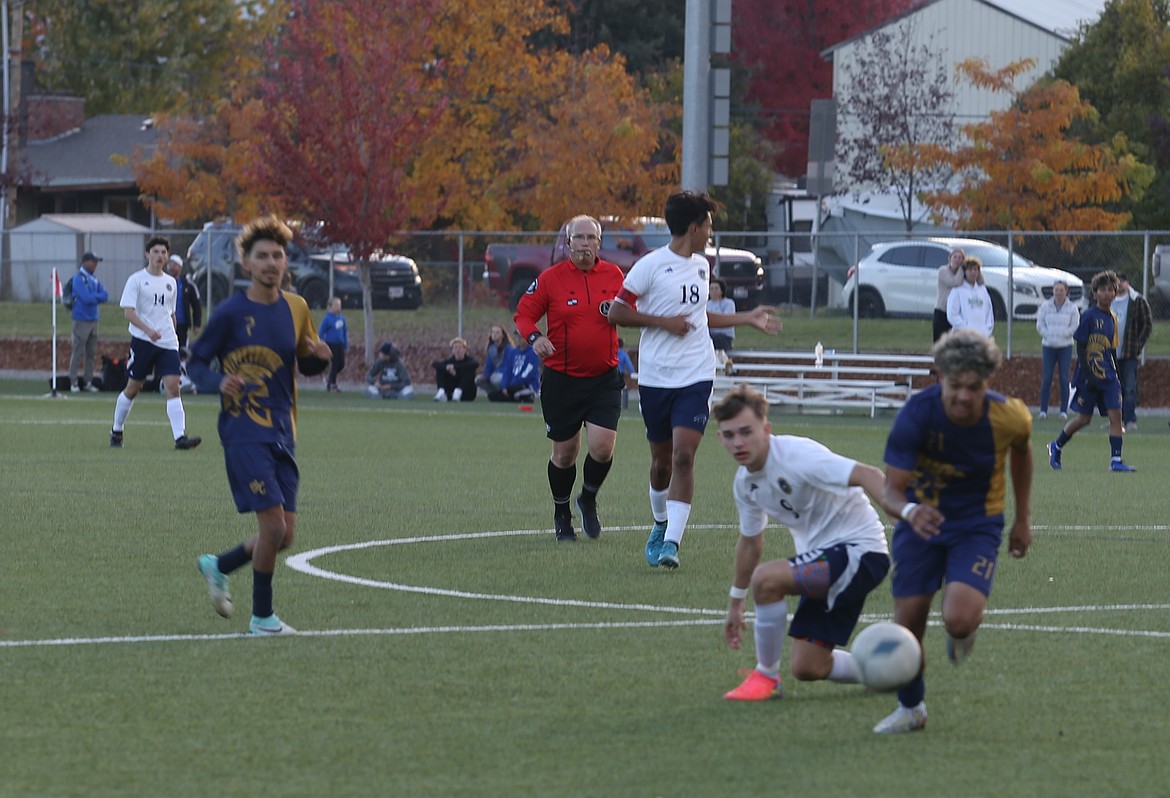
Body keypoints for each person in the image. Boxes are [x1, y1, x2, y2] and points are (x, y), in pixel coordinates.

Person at [608, 190, 782, 569]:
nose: (710, 233)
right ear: (693, 227)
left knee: (684, 456)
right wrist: (662, 323)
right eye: (708, 226)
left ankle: (671, 543)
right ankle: (659, 523)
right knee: (661, 463)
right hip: (656, 376)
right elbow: (617, 313)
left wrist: (747, 317)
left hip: (696, 373)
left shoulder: (703, 267)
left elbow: (700, 317)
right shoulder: (650, 266)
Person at [874, 327, 1033, 734]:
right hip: (919, 524)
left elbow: (1022, 448)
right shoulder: (917, 415)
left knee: (960, 620)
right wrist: (910, 511)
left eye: (974, 387)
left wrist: (1023, 518)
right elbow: (890, 491)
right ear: (940, 376)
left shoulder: (1008, 416)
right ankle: (912, 709)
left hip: (976, 525)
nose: (964, 396)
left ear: (988, 382)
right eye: (955, 385)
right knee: (908, 626)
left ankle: (963, 630)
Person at [190, 215, 332, 636]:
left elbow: (304, 360)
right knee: (272, 527)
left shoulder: (297, 307)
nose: (272, 262)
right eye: (262, 256)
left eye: (278, 255)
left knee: (284, 536)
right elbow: (196, 361)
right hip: (243, 431)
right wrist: (219, 382)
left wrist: (320, 357)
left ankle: (220, 565)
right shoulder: (231, 313)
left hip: (283, 429)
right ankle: (262, 618)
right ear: (246, 264)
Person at [714, 385, 891, 702]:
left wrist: (908, 518)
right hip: (824, 562)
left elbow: (868, 474)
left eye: (746, 432)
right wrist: (735, 602)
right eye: (729, 435)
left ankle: (766, 678)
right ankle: (887, 671)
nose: (738, 443)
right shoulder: (745, 484)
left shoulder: (798, 456)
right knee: (809, 666)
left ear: (766, 430)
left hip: (860, 552)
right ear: (719, 439)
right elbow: (751, 543)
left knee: (768, 580)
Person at [515, 214, 626, 541]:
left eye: (591, 237)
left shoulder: (614, 275)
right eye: (578, 237)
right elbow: (524, 315)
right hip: (562, 380)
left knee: (603, 448)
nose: (584, 244)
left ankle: (587, 499)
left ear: (599, 242)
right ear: (567, 243)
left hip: (604, 377)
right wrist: (536, 338)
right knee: (565, 454)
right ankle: (561, 512)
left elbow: (630, 308)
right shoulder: (550, 279)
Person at [109, 236, 201, 450]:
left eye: (163, 252)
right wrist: (148, 330)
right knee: (133, 388)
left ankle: (180, 438)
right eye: (156, 251)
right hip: (143, 341)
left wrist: (174, 334)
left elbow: (170, 313)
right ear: (147, 254)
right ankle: (116, 430)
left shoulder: (171, 282)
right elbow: (128, 313)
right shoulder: (136, 280)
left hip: (167, 343)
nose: (160, 256)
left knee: (173, 387)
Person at [1046, 271, 1136, 473]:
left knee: (1116, 416)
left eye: (1110, 290)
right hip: (1089, 376)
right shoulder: (1088, 316)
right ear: (1095, 294)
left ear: (1115, 292)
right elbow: (1081, 346)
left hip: (1109, 376)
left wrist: (1117, 376)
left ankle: (1116, 460)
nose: (1106, 293)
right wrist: (1088, 375)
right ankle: (1056, 446)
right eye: (1102, 290)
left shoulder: (1112, 318)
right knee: (1083, 419)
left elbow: (1111, 349)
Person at [1112, 272, 1152, 430]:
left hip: (1129, 353)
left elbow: (1147, 324)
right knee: (1115, 388)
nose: (1120, 285)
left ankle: (1130, 420)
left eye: (1122, 281)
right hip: (1112, 353)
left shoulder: (1137, 301)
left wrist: (1138, 344)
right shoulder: (1109, 301)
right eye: (1117, 282)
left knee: (1129, 387)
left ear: (1127, 283)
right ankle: (1117, 420)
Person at [1035, 280, 1079, 420]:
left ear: (1066, 291)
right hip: (1048, 346)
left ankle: (1063, 411)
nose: (1058, 293)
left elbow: (1074, 326)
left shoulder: (1072, 308)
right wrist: (1048, 334)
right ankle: (1043, 411)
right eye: (1056, 290)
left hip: (1065, 346)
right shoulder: (1045, 306)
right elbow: (1040, 324)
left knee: (1064, 378)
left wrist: (1063, 335)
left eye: (1061, 290)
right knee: (1047, 378)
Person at [68, 251, 110, 392]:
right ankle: (73, 381)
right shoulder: (79, 279)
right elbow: (87, 298)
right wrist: (96, 296)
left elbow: (105, 295)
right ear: (86, 262)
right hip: (81, 319)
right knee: (78, 351)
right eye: (93, 261)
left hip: (93, 320)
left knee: (91, 353)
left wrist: (95, 296)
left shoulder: (94, 279)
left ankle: (88, 381)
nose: (96, 264)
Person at [933, 248, 983, 343]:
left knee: (954, 343)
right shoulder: (943, 271)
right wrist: (961, 268)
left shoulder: (963, 273)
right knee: (939, 341)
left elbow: (980, 282)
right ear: (950, 259)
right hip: (942, 311)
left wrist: (974, 270)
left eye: (960, 258)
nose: (957, 260)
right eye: (955, 257)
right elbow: (955, 282)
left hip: (957, 313)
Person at [945, 257, 994, 338]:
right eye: (970, 270)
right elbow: (952, 314)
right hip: (963, 336)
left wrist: (987, 330)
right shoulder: (957, 290)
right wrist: (966, 329)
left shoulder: (983, 290)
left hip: (982, 335)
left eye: (975, 269)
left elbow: (989, 312)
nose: (973, 272)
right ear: (964, 272)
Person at [488, 332, 540, 402]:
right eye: (518, 337)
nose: (519, 339)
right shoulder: (513, 352)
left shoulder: (533, 353)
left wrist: (512, 384)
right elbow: (507, 371)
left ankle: (525, 394)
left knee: (512, 390)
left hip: (526, 384)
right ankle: (518, 397)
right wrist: (504, 387)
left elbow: (528, 372)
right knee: (492, 396)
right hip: (512, 385)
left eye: (521, 337)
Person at [166, 253, 202, 350]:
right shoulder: (163, 282)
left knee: (182, 349)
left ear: (180, 266)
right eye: (170, 264)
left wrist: (197, 323)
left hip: (182, 323)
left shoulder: (187, 284)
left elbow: (196, 304)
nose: (171, 266)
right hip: (165, 323)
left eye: (174, 264)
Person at [319, 297, 349, 393]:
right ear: (330, 307)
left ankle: (330, 378)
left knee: (341, 364)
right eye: (336, 305)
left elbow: (344, 331)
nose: (338, 307)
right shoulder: (327, 319)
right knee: (335, 363)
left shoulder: (341, 318)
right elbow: (321, 332)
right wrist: (322, 343)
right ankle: (333, 384)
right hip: (331, 344)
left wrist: (345, 343)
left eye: (339, 305)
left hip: (340, 343)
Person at [476, 324, 514, 394]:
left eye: (497, 332)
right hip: (494, 374)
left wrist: (495, 373)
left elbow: (509, 366)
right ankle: (495, 393)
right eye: (493, 332)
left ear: (503, 335)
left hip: (505, 375)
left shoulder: (508, 348)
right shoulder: (490, 348)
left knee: (495, 378)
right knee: (478, 380)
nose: (494, 334)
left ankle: (505, 391)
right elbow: (489, 366)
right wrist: (485, 376)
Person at [707, 278, 736, 352]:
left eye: (716, 289)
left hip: (724, 337)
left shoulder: (729, 303)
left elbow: (724, 321)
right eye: (711, 289)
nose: (713, 291)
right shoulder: (706, 304)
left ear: (721, 291)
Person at [616, 337, 635, 410]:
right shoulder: (623, 354)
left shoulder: (612, 352)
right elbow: (629, 364)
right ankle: (624, 405)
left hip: (612, 373)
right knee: (623, 387)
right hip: (621, 374)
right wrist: (632, 372)